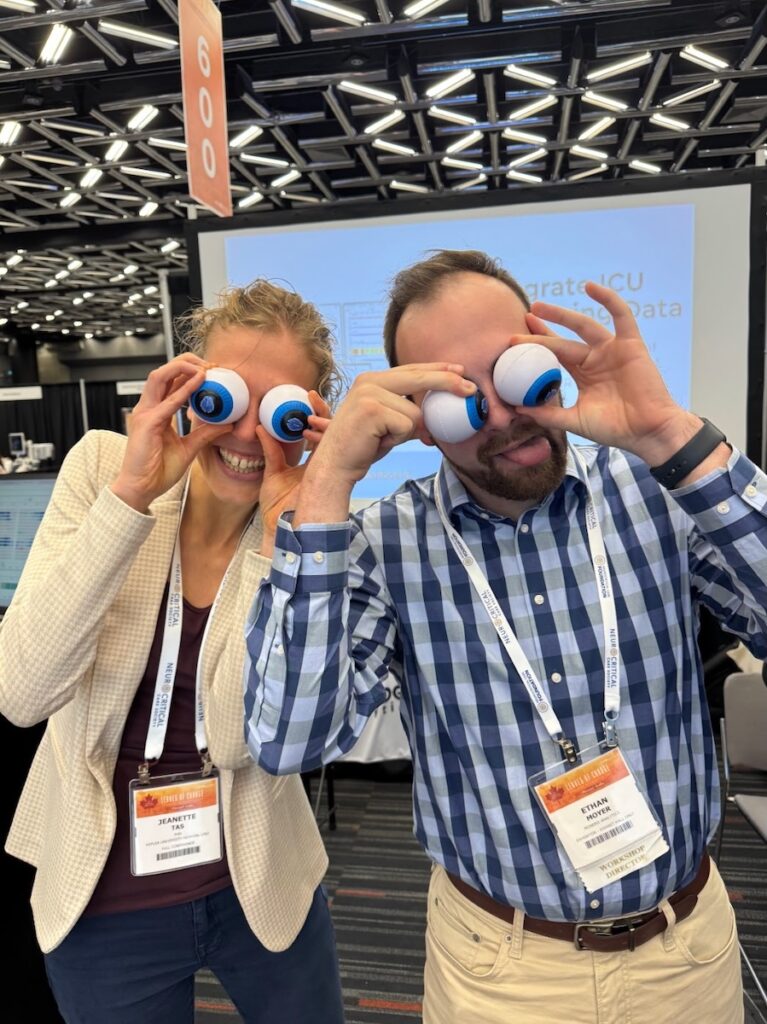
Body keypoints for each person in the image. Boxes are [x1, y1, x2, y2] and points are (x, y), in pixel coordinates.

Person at [242, 250, 767, 1024]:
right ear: (418, 421)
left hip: (683, 948)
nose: (499, 415)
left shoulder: (655, 489)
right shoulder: (383, 543)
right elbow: (288, 740)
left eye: (513, 372)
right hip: (499, 968)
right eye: (458, 396)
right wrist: (324, 489)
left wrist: (667, 434)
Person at [0, 280, 346, 1024]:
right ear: (188, 389)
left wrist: (276, 543)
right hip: (103, 891)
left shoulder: (303, 531)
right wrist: (132, 498)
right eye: (227, 399)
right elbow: (23, 692)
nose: (248, 437)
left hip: (259, 874)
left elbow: (240, 739)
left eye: (281, 412)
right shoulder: (103, 467)